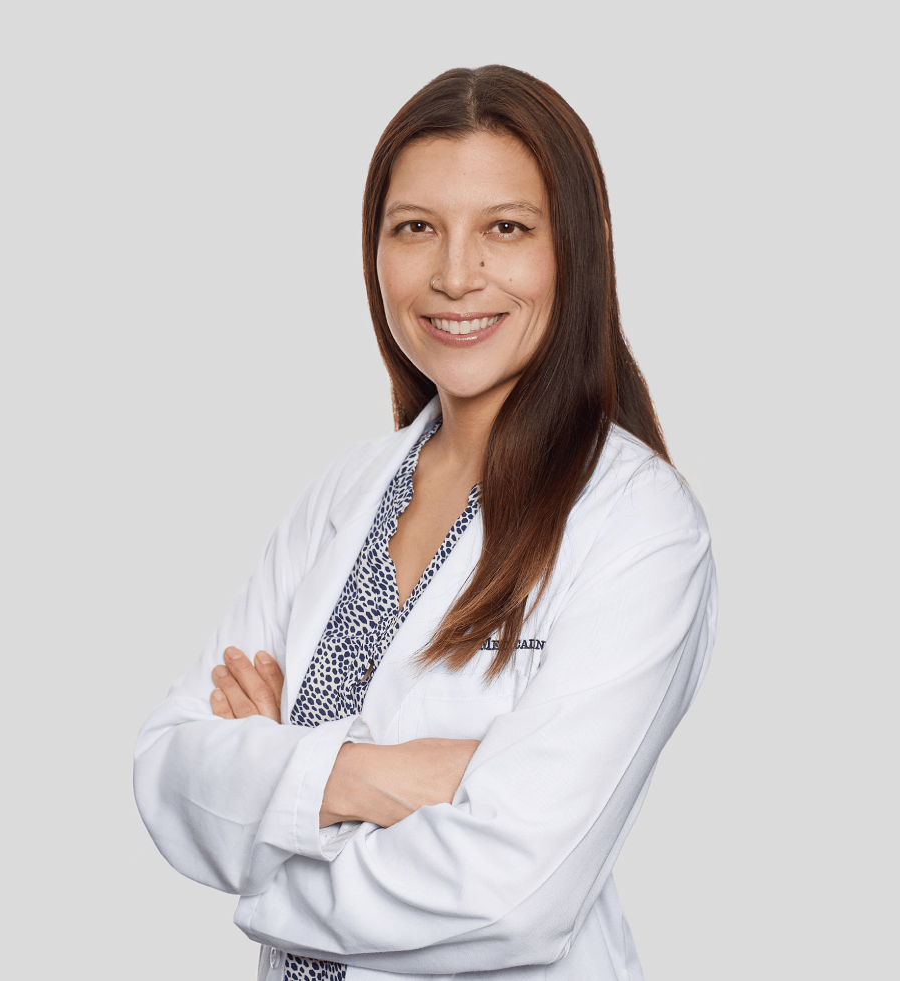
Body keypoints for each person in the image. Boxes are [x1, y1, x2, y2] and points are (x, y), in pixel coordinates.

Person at [134, 64, 717, 981]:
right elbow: (170, 767)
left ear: (577, 249)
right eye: (415, 228)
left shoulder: (638, 526)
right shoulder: (345, 491)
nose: (453, 275)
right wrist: (374, 775)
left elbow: (513, 897)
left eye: (505, 229)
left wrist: (273, 811)